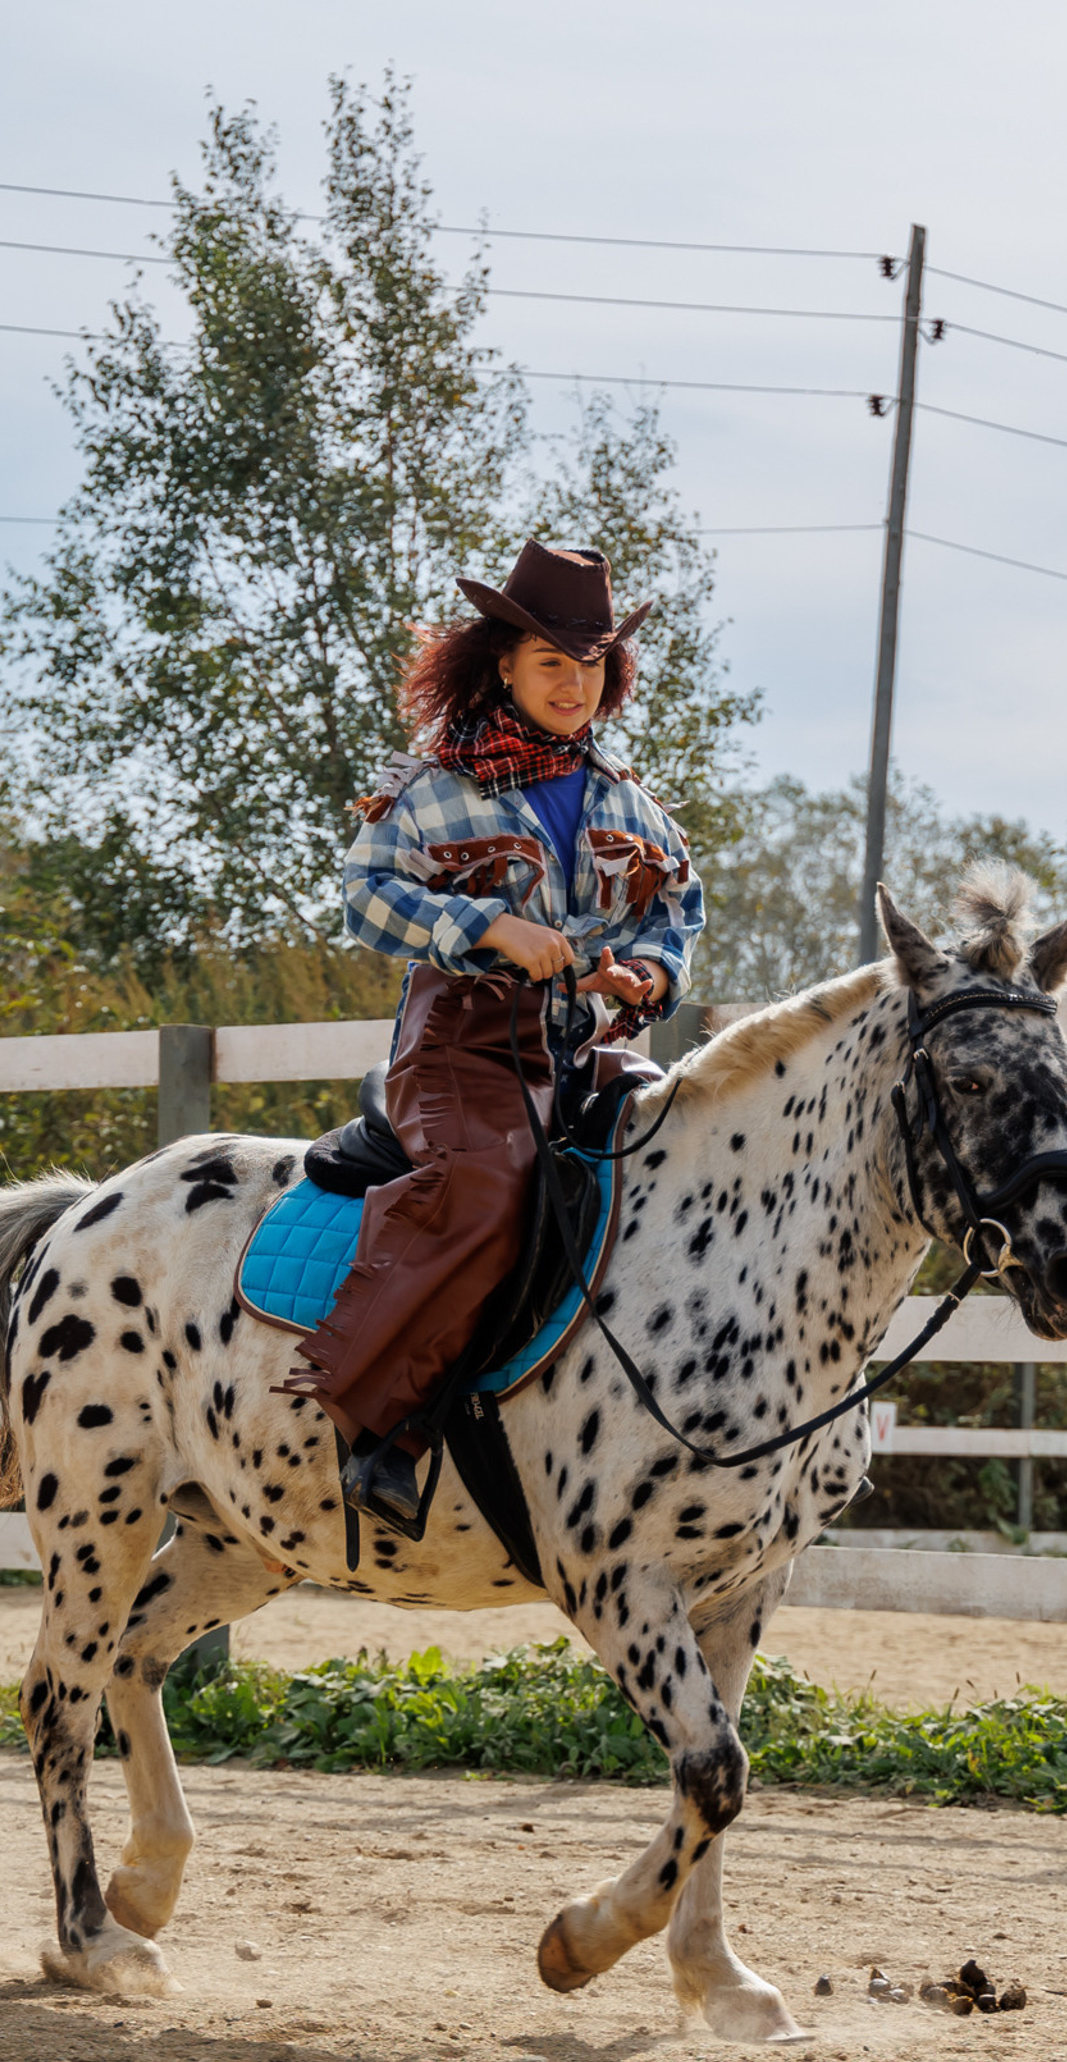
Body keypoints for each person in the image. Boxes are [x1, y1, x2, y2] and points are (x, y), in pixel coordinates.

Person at [283, 541, 703, 1533]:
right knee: (488, 1185)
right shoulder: (431, 784)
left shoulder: (629, 804)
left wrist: (645, 974)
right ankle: (385, 1425)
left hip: (579, 1042)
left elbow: (672, 918)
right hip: (460, 1044)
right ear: (502, 664)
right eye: (551, 660)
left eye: (591, 662)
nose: (573, 682)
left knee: (674, 1149)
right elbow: (365, 897)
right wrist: (486, 928)